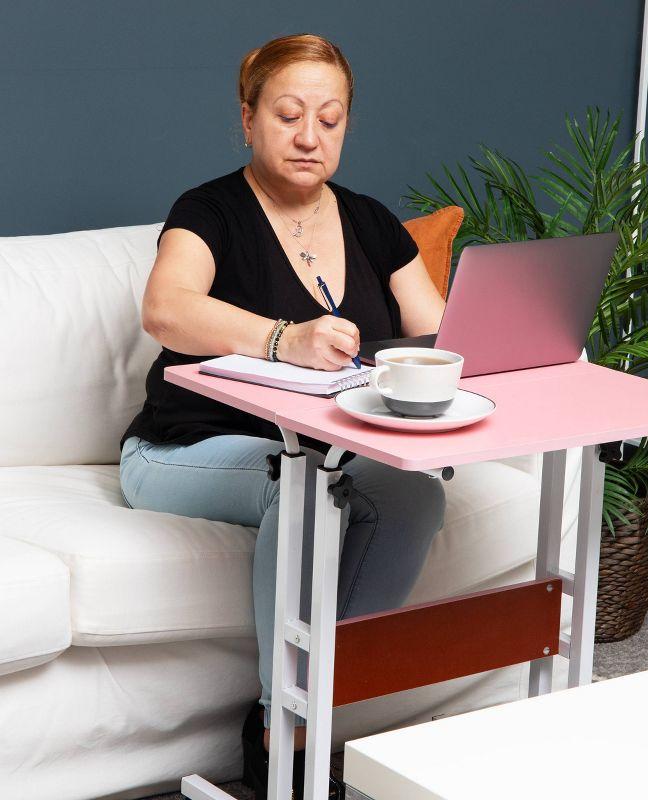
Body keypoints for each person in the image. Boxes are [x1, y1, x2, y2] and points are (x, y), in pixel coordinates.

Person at [118, 33, 448, 799]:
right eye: (289, 114)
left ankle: (310, 709)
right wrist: (281, 339)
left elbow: (435, 335)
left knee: (416, 493)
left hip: (324, 448)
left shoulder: (369, 221)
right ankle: (284, 737)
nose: (309, 137)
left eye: (329, 120)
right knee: (298, 487)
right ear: (248, 118)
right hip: (180, 450)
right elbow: (164, 309)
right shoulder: (209, 210)